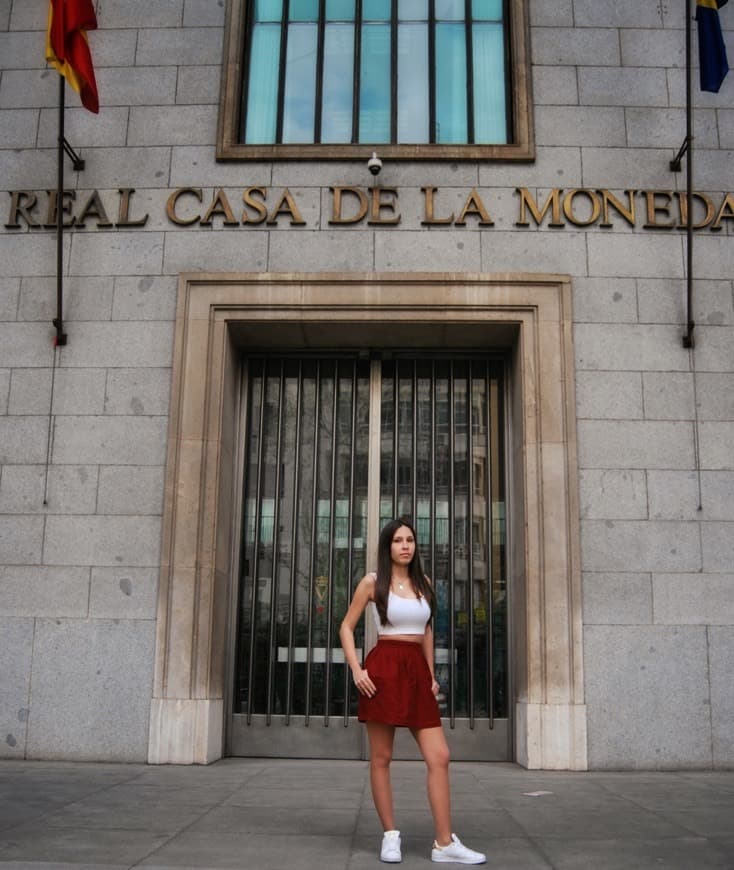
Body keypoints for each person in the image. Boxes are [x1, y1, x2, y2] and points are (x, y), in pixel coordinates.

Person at [340, 518, 486, 865]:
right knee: (382, 758)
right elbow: (345, 627)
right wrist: (357, 669)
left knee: (440, 756)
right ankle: (390, 835)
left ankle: (444, 843)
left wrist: (431, 675)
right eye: (398, 540)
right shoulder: (372, 583)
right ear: (387, 546)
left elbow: (427, 631)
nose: (405, 545)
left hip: (416, 673)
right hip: (384, 668)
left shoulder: (424, 584)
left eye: (410, 540)